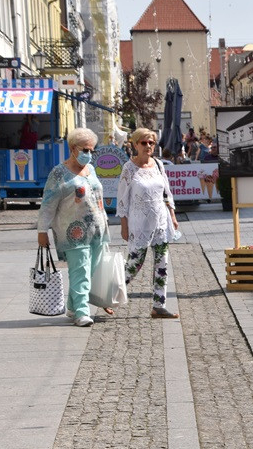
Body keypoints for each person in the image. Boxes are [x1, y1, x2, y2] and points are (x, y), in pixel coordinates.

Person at [36, 127, 109, 327]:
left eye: (92, 150)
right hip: (72, 231)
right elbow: (48, 203)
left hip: (96, 229)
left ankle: (72, 306)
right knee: (81, 271)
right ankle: (82, 313)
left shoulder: (91, 169)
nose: (89, 154)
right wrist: (42, 231)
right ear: (72, 148)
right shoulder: (59, 173)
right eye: (85, 150)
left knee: (90, 270)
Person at [117, 128, 180, 319]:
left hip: (160, 221)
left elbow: (166, 193)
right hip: (139, 223)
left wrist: (172, 215)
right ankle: (109, 295)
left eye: (151, 143)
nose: (148, 146)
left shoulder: (159, 165)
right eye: (144, 143)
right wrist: (123, 224)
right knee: (135, 263)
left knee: (162, 263)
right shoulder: (129, 168)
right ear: (135, 144)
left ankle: (158, 305)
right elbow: (122, 199)